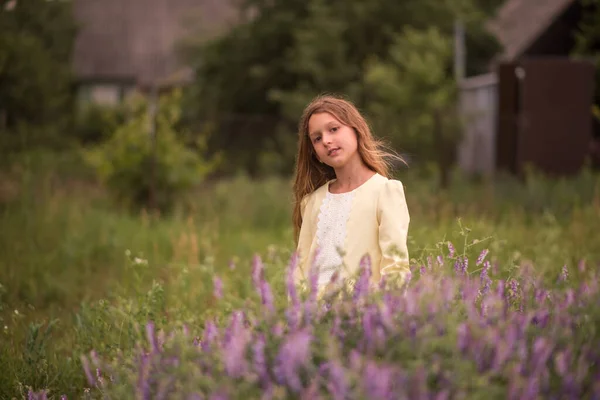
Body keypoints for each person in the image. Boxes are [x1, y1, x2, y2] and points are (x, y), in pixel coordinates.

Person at [292, 94, 411, 295]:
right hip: (314, 318)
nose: (327, 141)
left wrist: (383, 315)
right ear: (314, 153)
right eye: (317, 138)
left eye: (334, 129)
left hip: (362, 316)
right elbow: (300, 271)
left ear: (356, 130)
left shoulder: (385, 192)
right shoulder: (312, 202)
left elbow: (396, 268)